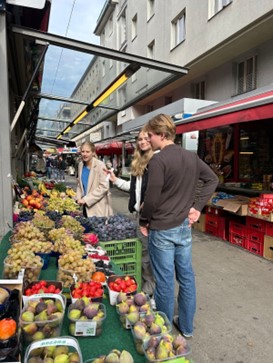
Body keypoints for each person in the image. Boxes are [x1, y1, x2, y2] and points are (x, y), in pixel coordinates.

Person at [139, 114, 219, 338]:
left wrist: (144, 221)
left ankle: (163, 331)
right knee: (186, 277)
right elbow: (212, 179)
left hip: (162, 228)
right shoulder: (190, 157)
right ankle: (186, 327)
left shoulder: (158, 160)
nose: (149, 139)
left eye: (151, 135)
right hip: (184, 227)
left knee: (164, 280)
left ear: (162, 135)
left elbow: (152, 197)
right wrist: (197, 207)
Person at [105, 130, 156, 297]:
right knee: (143, 253)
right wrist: (116, 180)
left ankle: (151, 290)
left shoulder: (156, 161)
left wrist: (148, 203)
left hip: (151, 217)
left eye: (146, 139)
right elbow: (134, 188)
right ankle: (146, 285)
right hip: (138, 215)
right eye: (139, 139)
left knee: (149, 255)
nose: (142, 142)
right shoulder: (138, 162)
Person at [76, 141, 113, 218]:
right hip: (85, 207)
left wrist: (86, 199)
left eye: (87, 152)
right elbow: (79, 184)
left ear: (93, 152)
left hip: (98, 207)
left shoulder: (100, 165)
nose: (85, 154)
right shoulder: (80, 165)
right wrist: (78, 198)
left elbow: (104, 187)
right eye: (83, 151)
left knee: (97, 228)